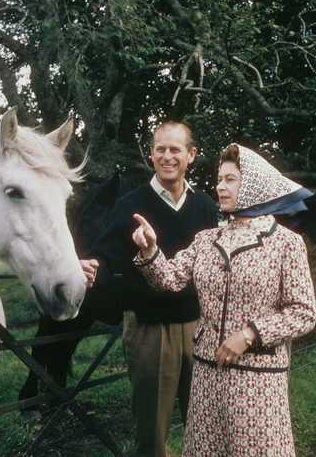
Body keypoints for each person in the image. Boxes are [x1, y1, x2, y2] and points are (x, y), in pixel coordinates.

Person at [131, 143, 316, 457]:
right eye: (219, 179)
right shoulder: (207, 239)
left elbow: (303, 312)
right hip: (205, 376)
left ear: (254, 185)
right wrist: (150, 250)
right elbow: (169, 279)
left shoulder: (286, 243)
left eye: (230, 179)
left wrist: (249, 335)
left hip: (257, 381)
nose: (219, 186)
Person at [80, 121, 218, 457]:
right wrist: (92, 263)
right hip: (149, 328)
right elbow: (106, 252)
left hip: (198, 328)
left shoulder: (205, 207)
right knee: (152, 431)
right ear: (151, 154)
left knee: (203, 424)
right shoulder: (131, 203)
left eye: (175, 149)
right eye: (160, 149)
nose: (167, 156)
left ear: (191, 155)